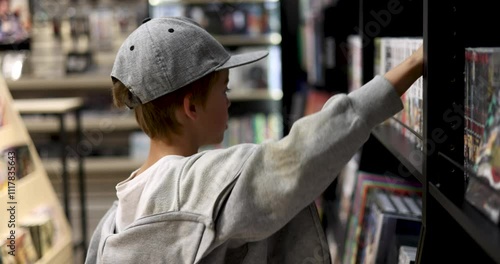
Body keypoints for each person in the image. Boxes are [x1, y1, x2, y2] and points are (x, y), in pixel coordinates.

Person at [85, 16, 424, 264]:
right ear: (190, 107)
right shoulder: (201, 183)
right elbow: (301, 157)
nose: (229, 100)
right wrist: (413, 63)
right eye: (224, 89)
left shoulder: (111, 222)